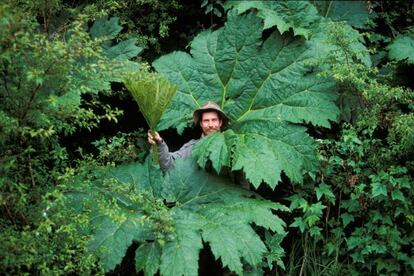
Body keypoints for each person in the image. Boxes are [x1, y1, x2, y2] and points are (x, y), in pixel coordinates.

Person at [147, 101, 229, 172]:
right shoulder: (193, 147)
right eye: (206, 121)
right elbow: (169, 165)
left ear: (220, 122)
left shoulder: (232, 146)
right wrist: (159, 143)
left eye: (214, 120)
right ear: (201, 124)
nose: (210, 125)